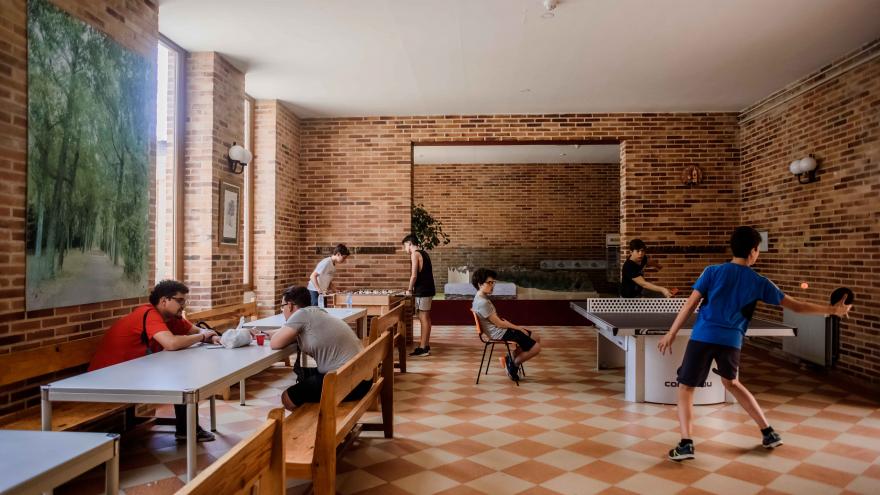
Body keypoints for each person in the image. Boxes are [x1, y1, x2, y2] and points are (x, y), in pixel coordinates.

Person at [657, 226, 852, 461]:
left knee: (686, 388)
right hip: (731, 341)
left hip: (703, 337)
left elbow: (690, 305)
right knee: (732, 383)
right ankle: (768, 432)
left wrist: (671, 333)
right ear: (752, 251)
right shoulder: (759, 281)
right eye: (758, 250)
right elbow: (796, 306)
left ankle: (686, 444)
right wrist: (832, 310)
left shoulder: (712, 271)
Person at [89, 280, 220, 442]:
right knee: (182, 377)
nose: (183, 305)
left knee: (181, 373)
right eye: (180, 300)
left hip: (132, 371)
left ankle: (187, 429)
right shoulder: (149, 314)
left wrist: (211, 337)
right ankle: (187, 430)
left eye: (184, 301)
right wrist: (202, 336)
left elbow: (197, 330)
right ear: (164, 301)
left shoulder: (172, 317)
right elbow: (171, 343)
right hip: (108, 377)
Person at [263, 286, 371, 410]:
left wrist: (272, 336)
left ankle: (314, 420)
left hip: (348, 381)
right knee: (303, 376)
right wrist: (263, 333)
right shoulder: (316, 312)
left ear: (290, 305)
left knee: (287, 398)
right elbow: (286, 331)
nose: (282, 310)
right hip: (362, 378)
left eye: (282, 306)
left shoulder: (300, 315)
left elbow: (275, 343)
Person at [471, 268, 541, 382]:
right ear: (480, 284)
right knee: (536, 348)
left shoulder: (480, 297)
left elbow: (498, 321)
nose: (492, 285)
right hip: (499, 333)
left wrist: (511, 325)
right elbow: (499, 323)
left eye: (493, 282)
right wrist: (518, 328)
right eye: (489, 282)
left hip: (499, 330)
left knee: (535, 337)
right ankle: (513, 365)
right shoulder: (482, 302)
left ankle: (509, 358)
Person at [402, 235, 436, 357]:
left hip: (423, 290)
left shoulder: (415, 254)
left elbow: (414, 275)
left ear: (409, 243)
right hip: (428, 289)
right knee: (425, 318)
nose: (405, 249)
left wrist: (409, 290)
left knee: (423, 318)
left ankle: (423, 348)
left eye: (405, 246)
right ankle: (425, 345)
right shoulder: (424, 253)